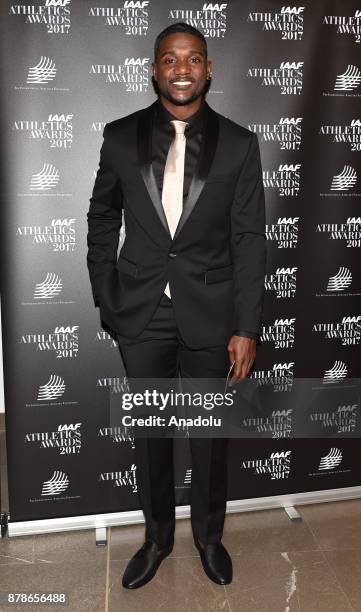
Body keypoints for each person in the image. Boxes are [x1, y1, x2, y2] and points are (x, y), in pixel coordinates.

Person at [87, 22, 266, 589]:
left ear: (208, 69)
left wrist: (245, 327)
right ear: (155, 69)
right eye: (170, 58)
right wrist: (107, 295)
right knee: (152, 435)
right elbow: (101, 220)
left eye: (193, 59)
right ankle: (157, 537)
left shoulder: (238, 143)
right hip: (140, 314)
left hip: (213, 315)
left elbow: (249, 240)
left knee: (208, 435)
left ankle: (209, 537)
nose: (182, 69)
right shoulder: (119, 137)